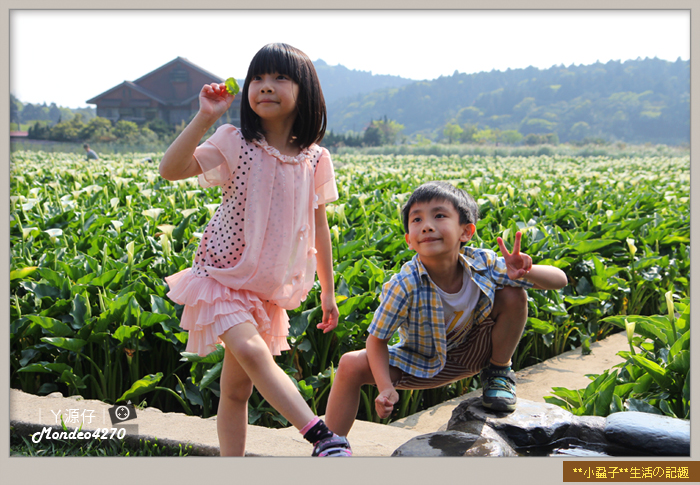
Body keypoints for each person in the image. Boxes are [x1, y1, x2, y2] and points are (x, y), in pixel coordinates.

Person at [159, 43, 351, 457]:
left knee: (236, 391)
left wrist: (328, 291)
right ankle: (321, 435)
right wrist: (206, 117)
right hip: (221, 277)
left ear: (306, 92)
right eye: (258, 78)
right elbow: (171, 170)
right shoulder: (235, 142)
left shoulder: (315, 158)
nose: (265, 86)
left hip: (264, 290)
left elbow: (320, 228)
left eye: (280, 78)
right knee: (251, 350)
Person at [325, 181, 568, 437]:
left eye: (439, 216)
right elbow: (376, 340)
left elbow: (559, 280)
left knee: (513, 293)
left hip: (478, 352)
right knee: (350, 364)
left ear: (466, 232)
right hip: (422, 362)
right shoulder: (404, 284)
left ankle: (498, 373)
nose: (427, 225)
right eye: (416, 220)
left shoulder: (482, 263)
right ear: (409, 240)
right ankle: (330, 445)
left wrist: (527, 271)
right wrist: (385, 387)